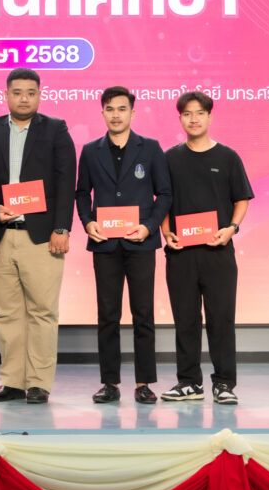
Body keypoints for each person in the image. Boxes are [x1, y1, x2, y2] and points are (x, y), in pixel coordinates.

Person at [0, 68, 76, 404]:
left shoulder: (56, 129)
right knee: (6, 314)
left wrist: (62, 228)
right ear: (6, 94)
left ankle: (38, 383)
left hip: (42, 236)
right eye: (17, 92)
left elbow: (66, 181)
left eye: (31, 93)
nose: (24, 98)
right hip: (1, 236)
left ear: (39, 95)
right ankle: (12, 381)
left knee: (42, 312)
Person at [75, 86, 171, 405]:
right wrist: (88, 222)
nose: (115, 115)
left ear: (132, 112)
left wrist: (149, 226)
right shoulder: (91, 150)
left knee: (143, 314)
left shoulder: (150, 148)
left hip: (140, 243)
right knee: (108, 315)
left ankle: (144, 383)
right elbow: (82, 193)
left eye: (122, 109)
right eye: (110, 109)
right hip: (105, 245)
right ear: (102, 112)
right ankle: (110, 383)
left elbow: (164, 194)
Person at [160, 91, 253, 405]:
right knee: (185, 320)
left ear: (210, 117)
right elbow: (162, 201)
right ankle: (189, 383)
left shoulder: (228, 157)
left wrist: (232, 228)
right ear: (180, 119)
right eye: (187, 114)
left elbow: (241, 199)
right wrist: (166, 232)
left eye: (200, 113)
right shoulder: (170, 158)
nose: (194, 119)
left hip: (218, 252)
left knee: (221, 319)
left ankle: (224, 383)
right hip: (181, 254)